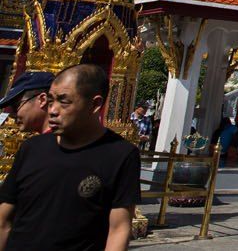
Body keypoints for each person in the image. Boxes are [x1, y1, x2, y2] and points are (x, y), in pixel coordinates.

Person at [0, 63, 141, 251]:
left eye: (63, 101)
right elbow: (4, 218)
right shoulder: (32, 148)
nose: (52, 110)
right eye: (51, 101)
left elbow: (119, 228)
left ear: (95, 104)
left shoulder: (120, 155)